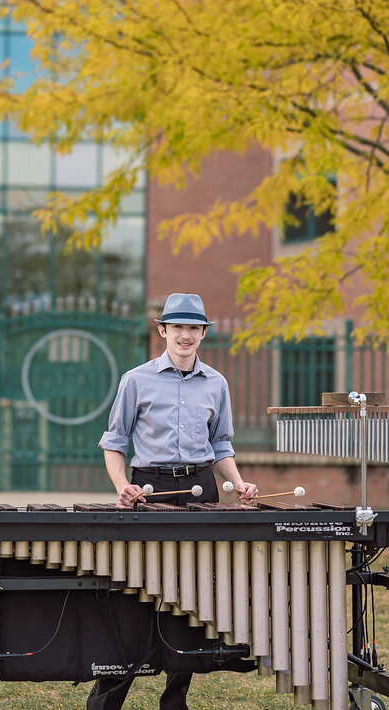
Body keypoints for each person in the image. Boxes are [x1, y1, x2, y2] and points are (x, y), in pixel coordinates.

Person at [89, 292, 259, 710]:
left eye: (194, 328)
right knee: (136, 596)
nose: (186, 336)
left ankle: (175, 696)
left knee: (194, 595)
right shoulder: (136, 379)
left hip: (203, 489)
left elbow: (220, 444)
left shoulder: (216, 383)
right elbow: (114, 443)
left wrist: (238, 483)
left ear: (203, 334)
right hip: (149, 491)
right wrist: (120, 486)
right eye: (177, 327)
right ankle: (108, 698)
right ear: (163, 330)